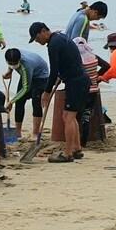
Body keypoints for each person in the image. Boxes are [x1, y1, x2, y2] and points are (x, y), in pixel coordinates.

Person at [30, 21, 89, 163]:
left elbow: (54, 69)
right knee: (69, 116)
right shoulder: (60, 38)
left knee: (68, 117)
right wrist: (60, 78)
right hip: (79, 80)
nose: (38, 42)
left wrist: (47, 91)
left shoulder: (54, 44)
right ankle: (76, 148)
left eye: (37, 38)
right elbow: (66, 63)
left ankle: (68, 153)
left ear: (44, 31)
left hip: (76, 82)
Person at [3, 47, 49, 140]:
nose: (13, 65)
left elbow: (26, 88)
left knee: (36, 103)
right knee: (19, 101)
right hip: (27, 76)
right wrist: (9, 71)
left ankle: (35, 133)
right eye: (10, 64)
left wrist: (11, 101)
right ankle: (18, 133)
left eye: (15, 64)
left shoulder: (26, 66)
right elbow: (12, 63)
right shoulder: (13, 54)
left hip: (40, 76)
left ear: (19, 60)